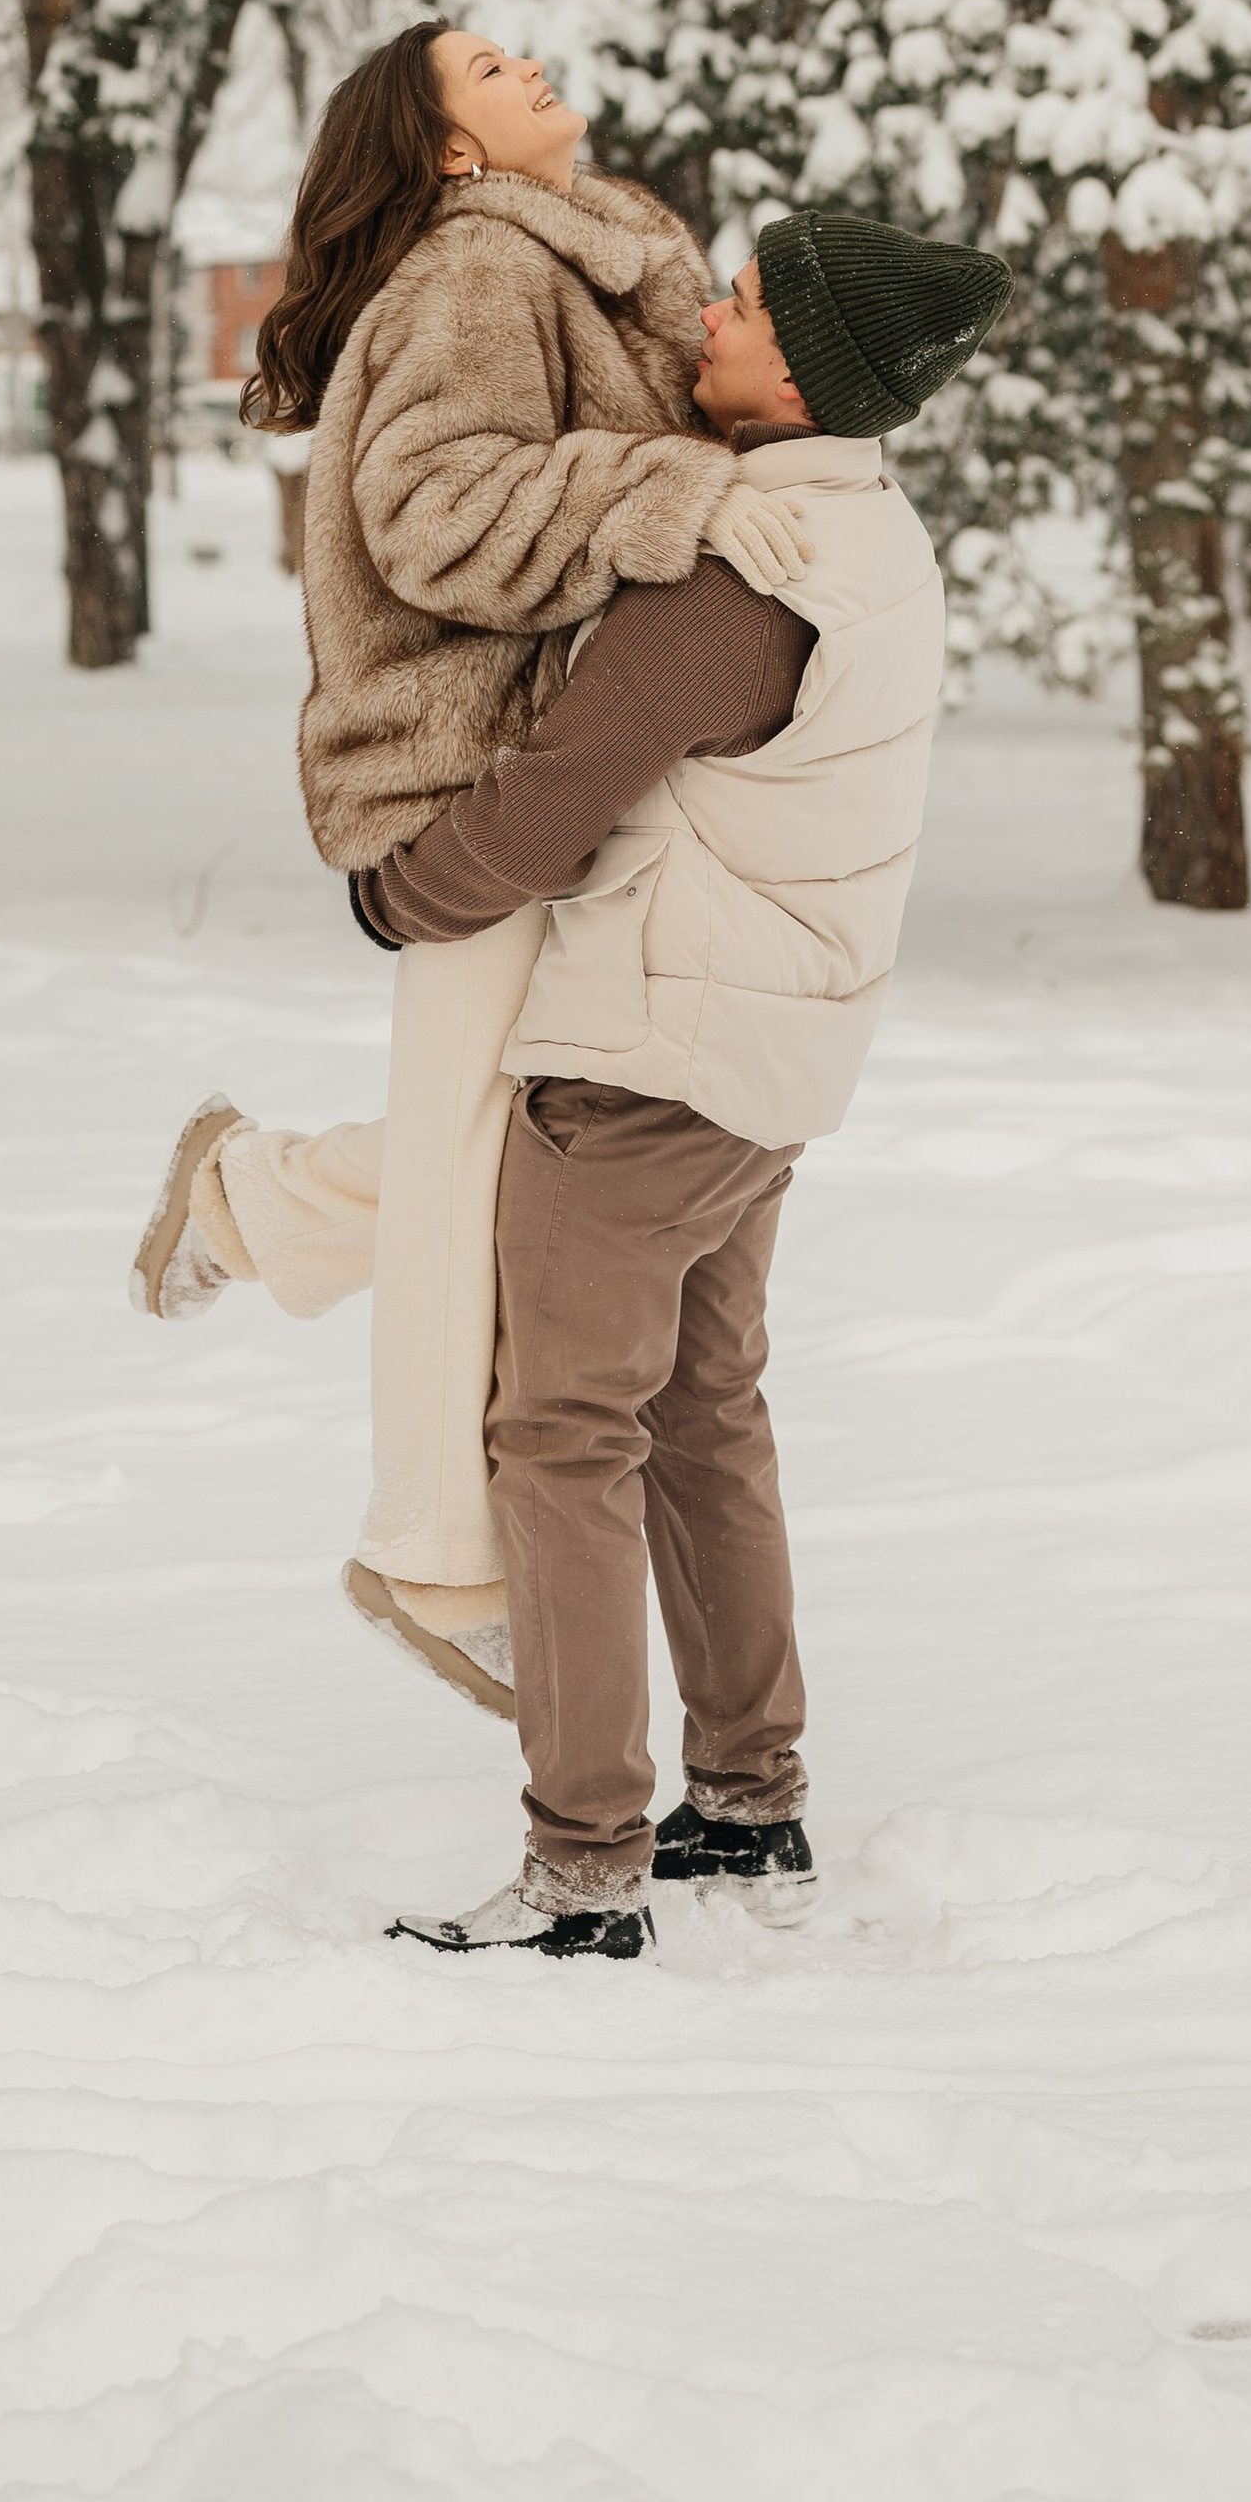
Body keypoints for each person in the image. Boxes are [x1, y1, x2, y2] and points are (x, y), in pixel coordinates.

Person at [126, 23, 821, 1706]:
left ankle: (248, 1200)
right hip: (469, 784)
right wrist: (672, 494)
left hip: (566, 776)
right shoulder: (474, 272)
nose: (531, 69)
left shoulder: (597, 250)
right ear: (449, 152)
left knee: (506, 1154)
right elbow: (436, 513)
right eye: (491, 73)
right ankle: (435, 1558)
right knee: (473, 1168)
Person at [355, 208, 1012, 1959]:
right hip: (771, 1061)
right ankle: (749, 1800)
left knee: (561, 1438)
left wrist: (402, 896)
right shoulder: (871, 532)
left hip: (649, 1060)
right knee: (704, 1414)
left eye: (741, 303)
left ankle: (584, 1867)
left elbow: (561, 792)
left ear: (798, 374)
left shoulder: (744, 581)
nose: (708, 315)